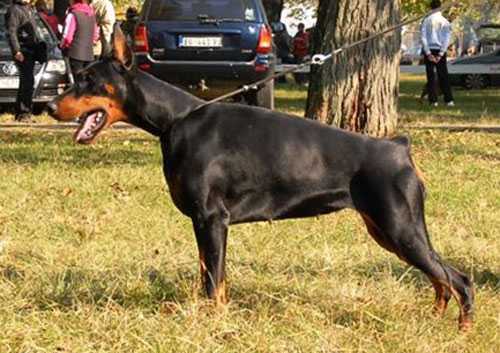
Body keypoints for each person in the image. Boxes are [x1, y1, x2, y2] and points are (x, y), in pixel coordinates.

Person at [5, 0, 42, 121]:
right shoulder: (14, 9)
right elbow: (12, 32)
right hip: (23, 50)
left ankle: (23, 112)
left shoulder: (29, 9)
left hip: (31, 50)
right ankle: (23, 113)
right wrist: (17, 50)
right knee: (27, 81)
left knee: (28, 82)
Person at [421, 0, 454, 107]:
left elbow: (423, 38)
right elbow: (446, 39)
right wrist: (441, 53)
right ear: (440, 7)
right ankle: (449, 100)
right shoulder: (445, 21)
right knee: (443, 75)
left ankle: (433, 101)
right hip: (440, 50)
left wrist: (428, 53)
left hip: (429, 49)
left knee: (430, 77)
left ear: (430, 8)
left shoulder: (426, 21)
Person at [60, 0, 99, 77]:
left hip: (75, 54)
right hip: (89, 55)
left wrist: (62, 46)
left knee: (75, 81)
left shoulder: (73, 14)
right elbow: (95, 36)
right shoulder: (91, 15)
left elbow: (67, 36)